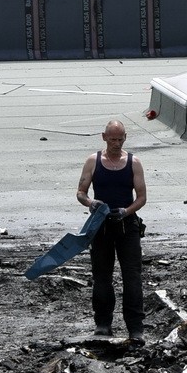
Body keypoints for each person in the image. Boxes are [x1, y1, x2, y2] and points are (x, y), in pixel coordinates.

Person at [76, 120, 147, 341]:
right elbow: (80, 192)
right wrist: (91, 203)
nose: (116, 143)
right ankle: (103, 324)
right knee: (102, 277)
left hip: (127, 227)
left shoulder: (133, 163)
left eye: (120, 139)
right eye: (112, 139)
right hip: (101, 227)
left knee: (132, 277)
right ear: (104, 137)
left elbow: (142, 197)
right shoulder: (93, 161)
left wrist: (126, 211)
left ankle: (135, 327)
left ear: (125, 137)